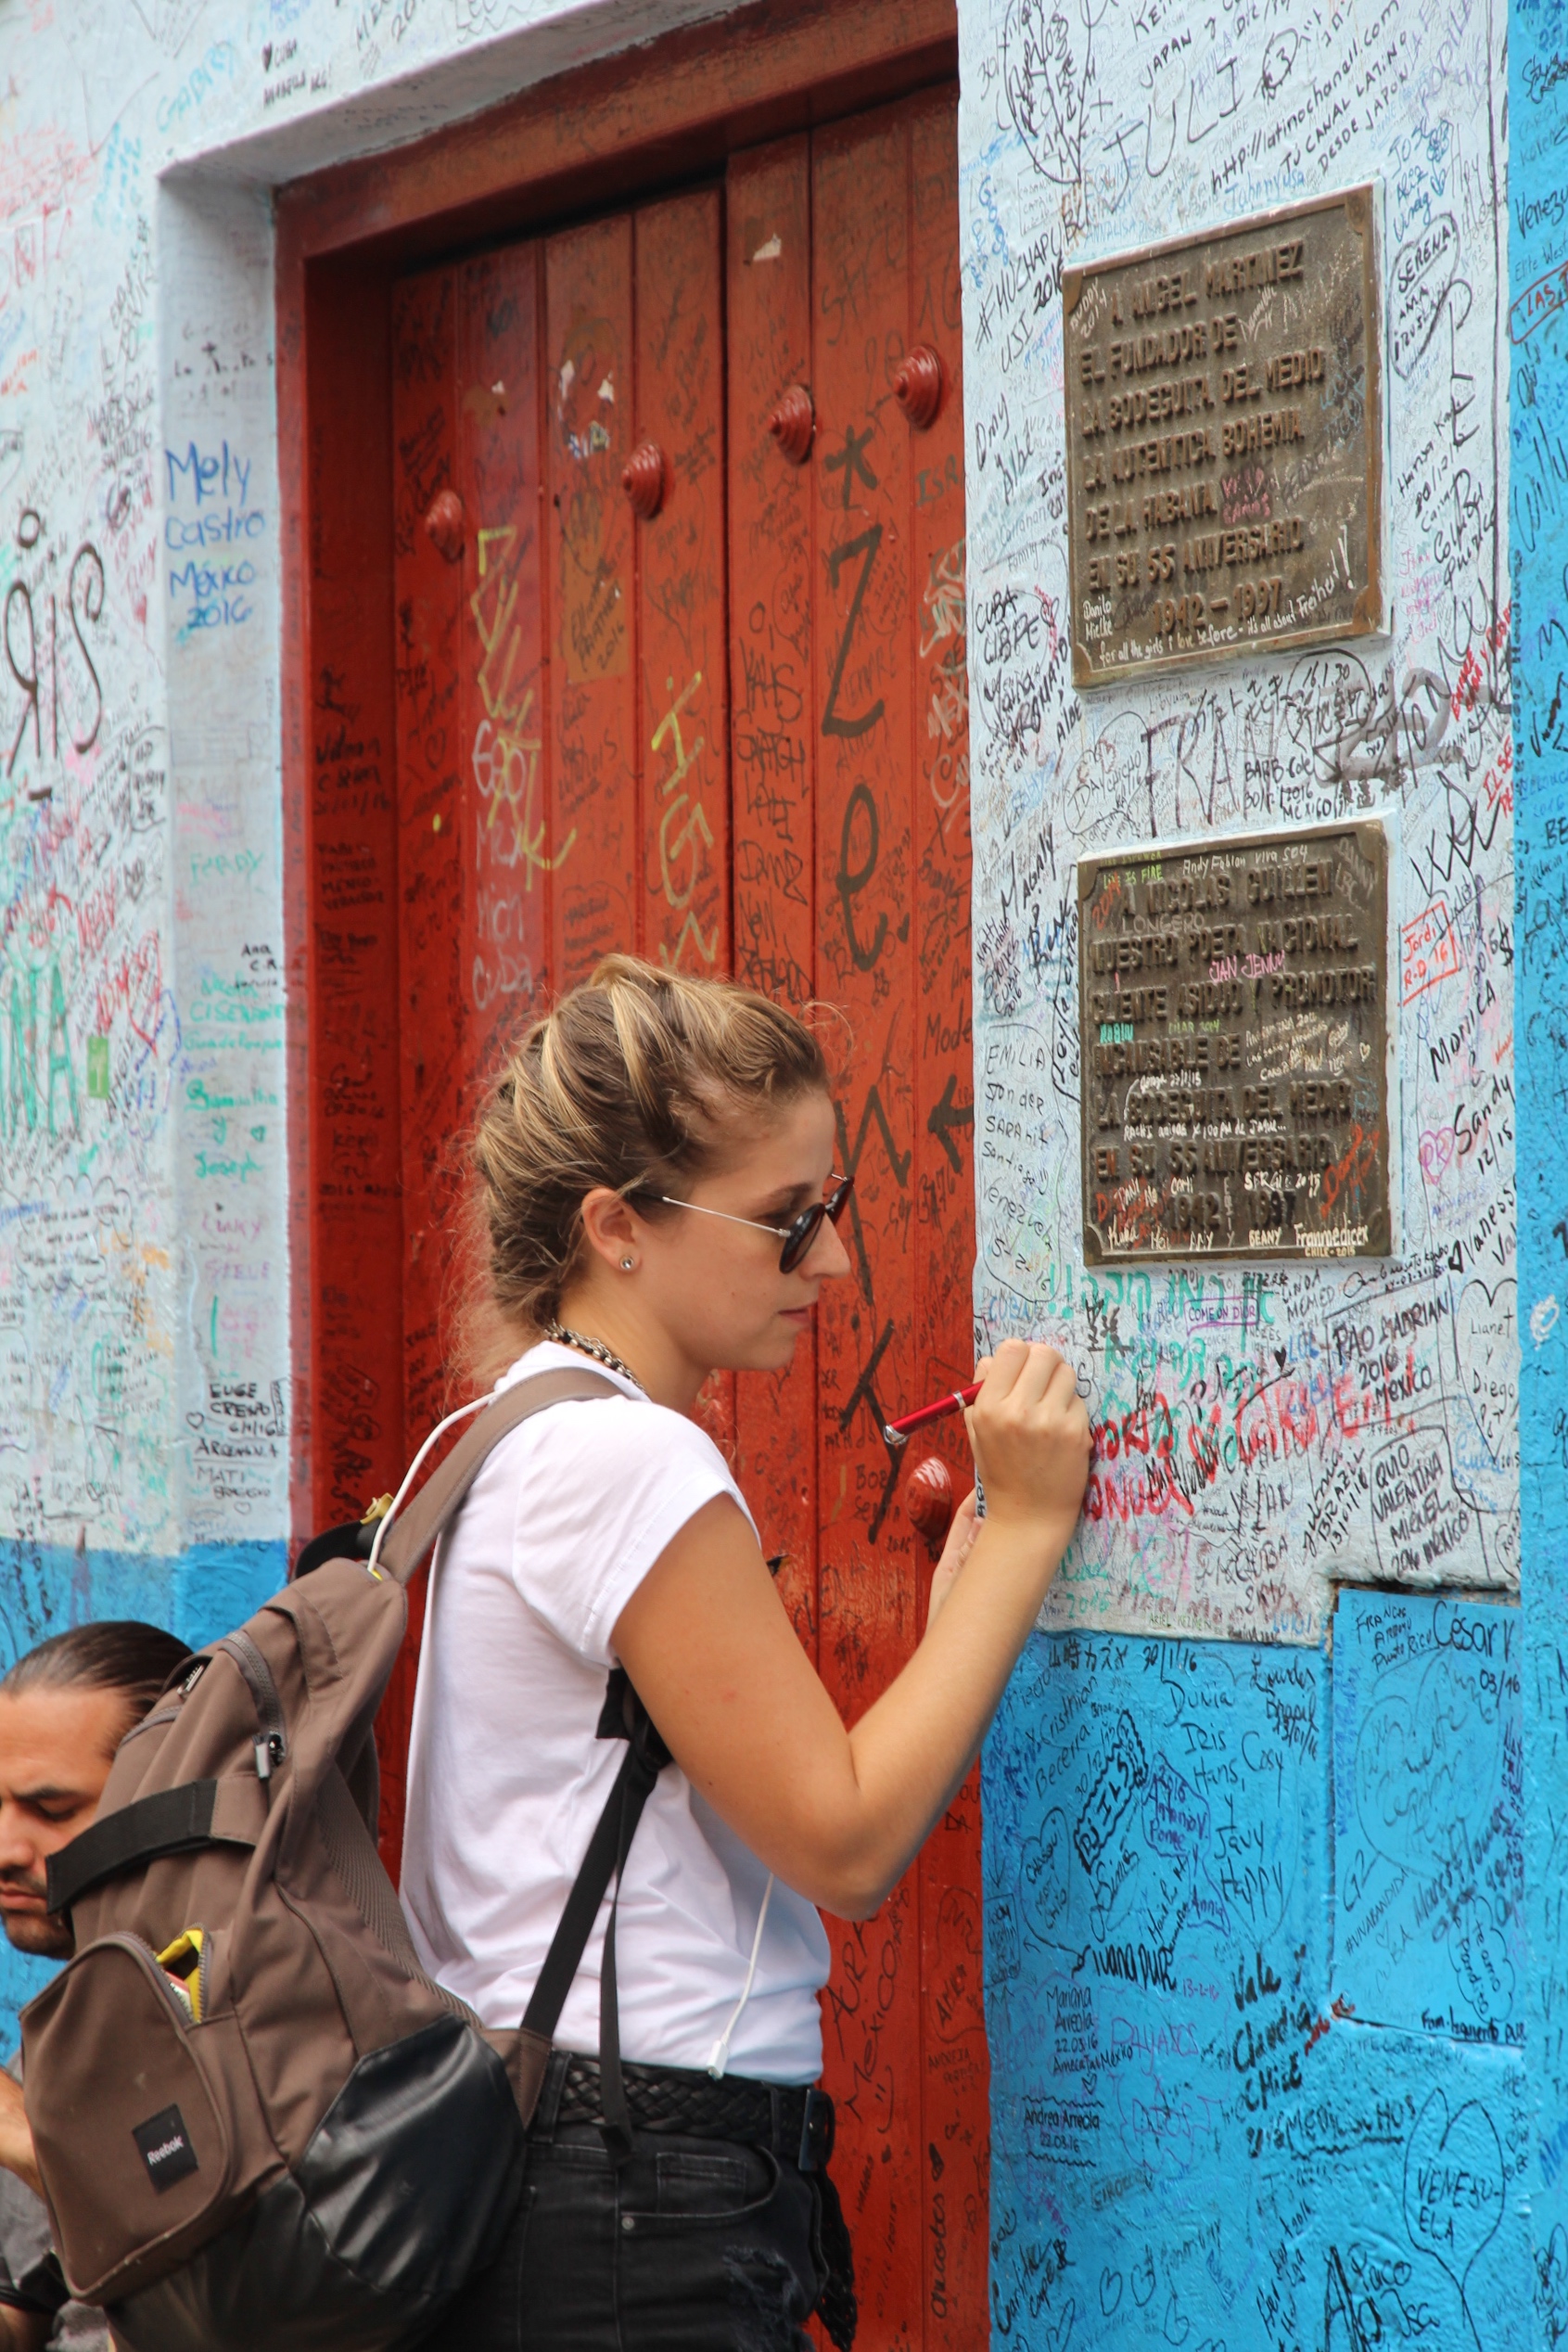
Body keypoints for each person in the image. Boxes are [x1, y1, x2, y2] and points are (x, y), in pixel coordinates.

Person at [402, 955, 1091, 2351]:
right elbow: (844, 1843)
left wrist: (956, 1612)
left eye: (828, 1209)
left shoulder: (503, 1432)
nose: (828, 1262)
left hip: (553, 2163)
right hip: (631, 2193)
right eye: (786, 1221)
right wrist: (1025, 1524)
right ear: (617, 1226)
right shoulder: (625, 1462)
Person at [0, 1622, 193, 2350]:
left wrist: (33, 2146)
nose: (5, 1848)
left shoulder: (261, 2031)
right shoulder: (66, 2031)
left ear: (166, 1800)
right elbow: (27, 2313)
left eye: (51, 1811)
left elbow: (241, 2299)